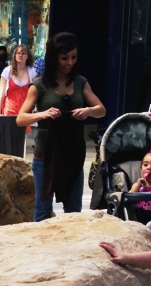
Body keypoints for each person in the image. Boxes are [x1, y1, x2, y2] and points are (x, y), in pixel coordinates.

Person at [15, 31, 105, 222]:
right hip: (46, 154)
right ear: (54, 57)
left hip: (73, 152)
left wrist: (88, 110)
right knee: (42, 210)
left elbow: (101, 110)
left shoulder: (80, 82)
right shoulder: (39, 85)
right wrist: (43, 114)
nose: (69, 63)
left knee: (74, 211)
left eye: (74, 57)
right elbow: (20, 118)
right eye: (64, 58)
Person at [0, 43, 33, 116]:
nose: (20, 55)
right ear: (15, 55)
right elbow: (1, 94)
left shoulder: (32, 71)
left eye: (23, 53)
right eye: (18, 53)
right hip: (9, 111)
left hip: (25, 113)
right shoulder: (7, 71)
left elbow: (34, 94)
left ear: (27, 56)